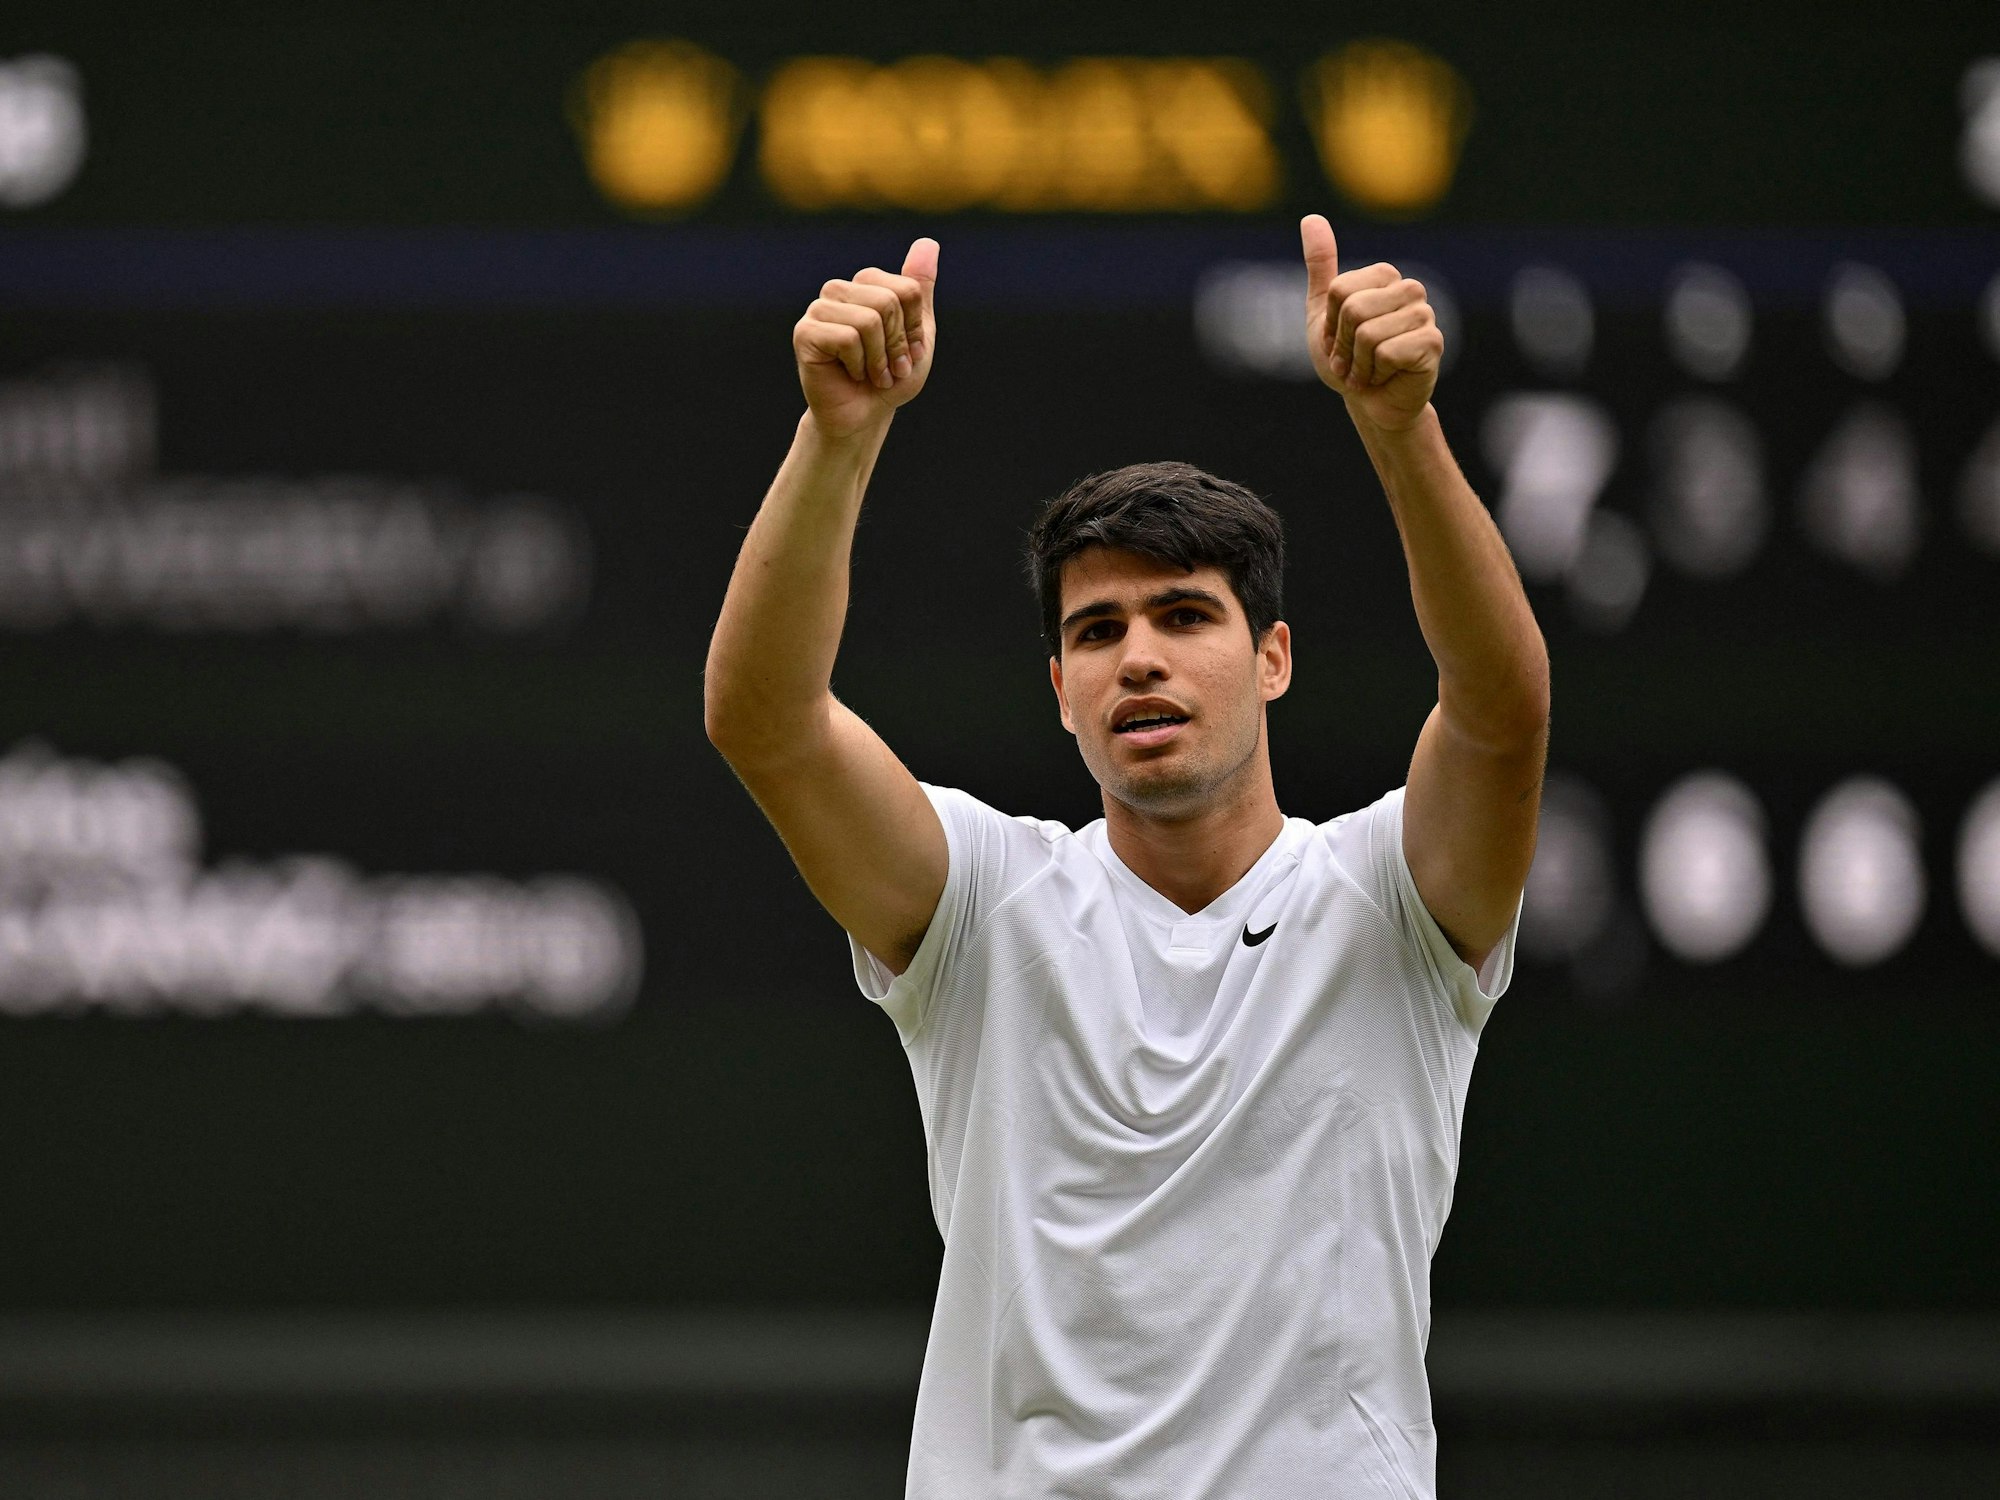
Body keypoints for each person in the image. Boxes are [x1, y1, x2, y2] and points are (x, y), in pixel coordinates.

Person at [703, 217, 1549, 1500]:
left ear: (1270, 659)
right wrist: (839, 434)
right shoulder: (983, 902)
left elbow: (1498, 710)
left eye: (1183, 615)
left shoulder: (1389, 899)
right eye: (1096, 630)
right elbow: (762, 719)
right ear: (1058, 689)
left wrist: (1397, 427)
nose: (1138, 657)